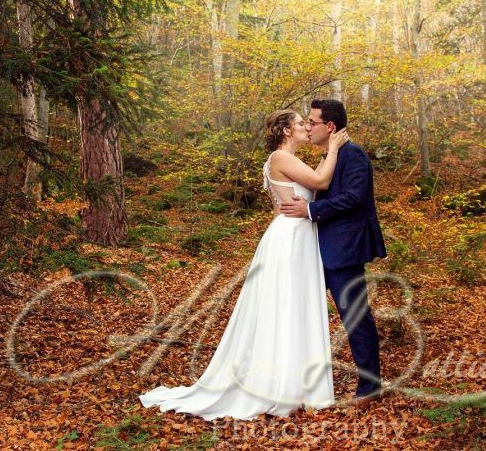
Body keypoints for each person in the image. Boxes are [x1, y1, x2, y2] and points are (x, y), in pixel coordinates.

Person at [138, 109, 349, 420]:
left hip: (301, 237)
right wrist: (332, 148)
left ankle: (298, 382)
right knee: (285, 306)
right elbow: (320, 180)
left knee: (297, 306)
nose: (307, 127)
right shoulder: (280, 158)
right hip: (290, 239)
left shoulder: (290, 159)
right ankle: (280, 385)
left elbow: (312, 187)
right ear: (286, 131)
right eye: (301, 123)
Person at [280, 99, 387, 405]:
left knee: (355, 315)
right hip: (320, 248)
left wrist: (310, 209)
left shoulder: (353, 155)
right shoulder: (332, 153)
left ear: (329, 126)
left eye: (312, 122)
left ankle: (370, 386)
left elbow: (354, 198)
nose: (308, 127)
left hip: (344, 248)